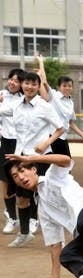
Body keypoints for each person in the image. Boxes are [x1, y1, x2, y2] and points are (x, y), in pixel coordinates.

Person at [0, 71, 64, 247]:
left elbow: (60, 128)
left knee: (47, 196)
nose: (29, 87)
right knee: (22, 198)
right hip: (21, 157)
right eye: (26, 83)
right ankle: (24, 233)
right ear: (22, 85)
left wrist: (46, 143)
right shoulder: (16, 105)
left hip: (40, 158)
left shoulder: (44, 106)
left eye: (33, 84)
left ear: (38, 86)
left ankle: (60, 234)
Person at [35, 52, 83, 156]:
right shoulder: (54, 95)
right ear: (58, 87)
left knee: (66, 163)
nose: (67, 88)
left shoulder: (70, 102)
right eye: (64, 86)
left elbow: (70, 123)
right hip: (52, 136)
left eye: (69, 86)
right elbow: (44, 82)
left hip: (63, 137)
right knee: (61, 163)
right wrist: (41, 63)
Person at [0, 68, 24, 235]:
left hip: (22, 144)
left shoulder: (25, 99)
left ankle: (30, 218)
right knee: (5, 180)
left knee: (22, 180)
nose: (12, 82)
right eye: (11, 79)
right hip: (6, 143)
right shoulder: (2, 95)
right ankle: (12, 218)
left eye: (16, 80)